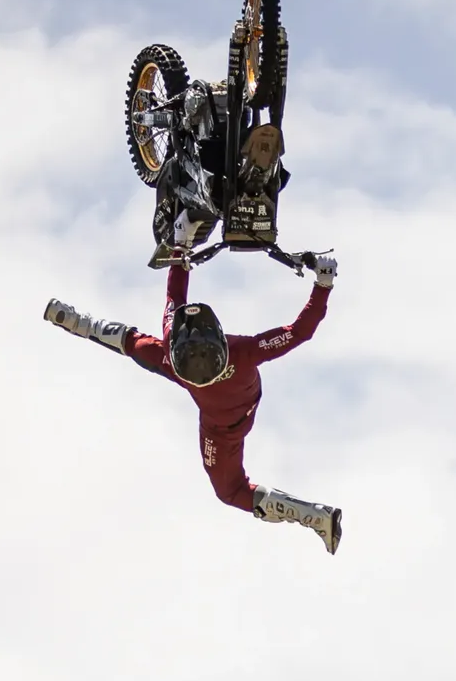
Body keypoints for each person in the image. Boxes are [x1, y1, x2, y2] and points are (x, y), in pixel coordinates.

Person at [42, 211, 343, 554]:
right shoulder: (243, 352)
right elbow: (299, 331)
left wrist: (180, 246)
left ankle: (315, 517)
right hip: (229, 422)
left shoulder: (170, 353)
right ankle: (316, 516)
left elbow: (138, 327)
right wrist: (323, 283)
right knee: (231, 491)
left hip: (221, 427)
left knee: (230, 492)